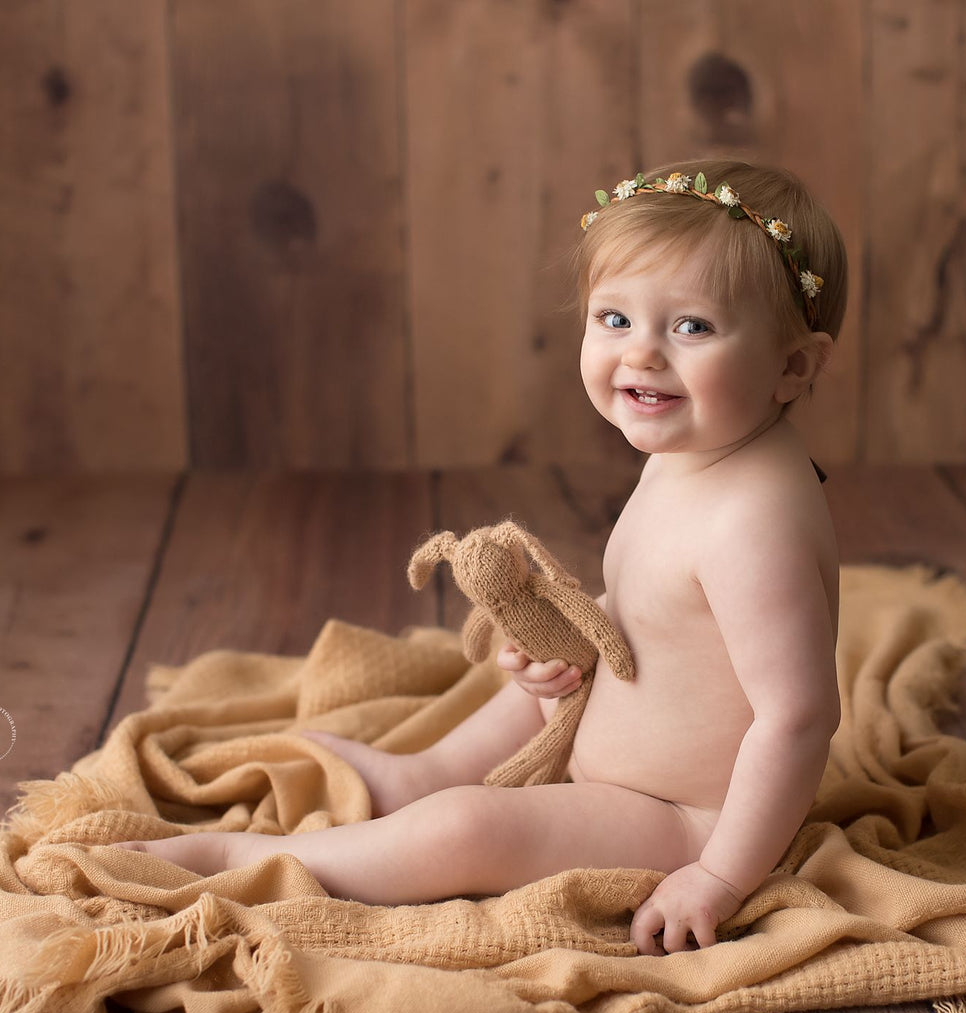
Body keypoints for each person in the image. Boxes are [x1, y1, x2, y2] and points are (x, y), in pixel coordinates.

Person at [118, 160, 850, 957]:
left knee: (471, 828)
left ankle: (253, 860)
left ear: (792, 366)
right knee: (529, 686)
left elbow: (797, 715)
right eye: (613, 319)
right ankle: (425, 770)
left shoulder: (752, 522)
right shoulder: (697, 449)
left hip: (680, 815)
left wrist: (717, 875)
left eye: (691, 327)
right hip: (614, 746)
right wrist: (561, 640)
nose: (640, 355)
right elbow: (656, 615)